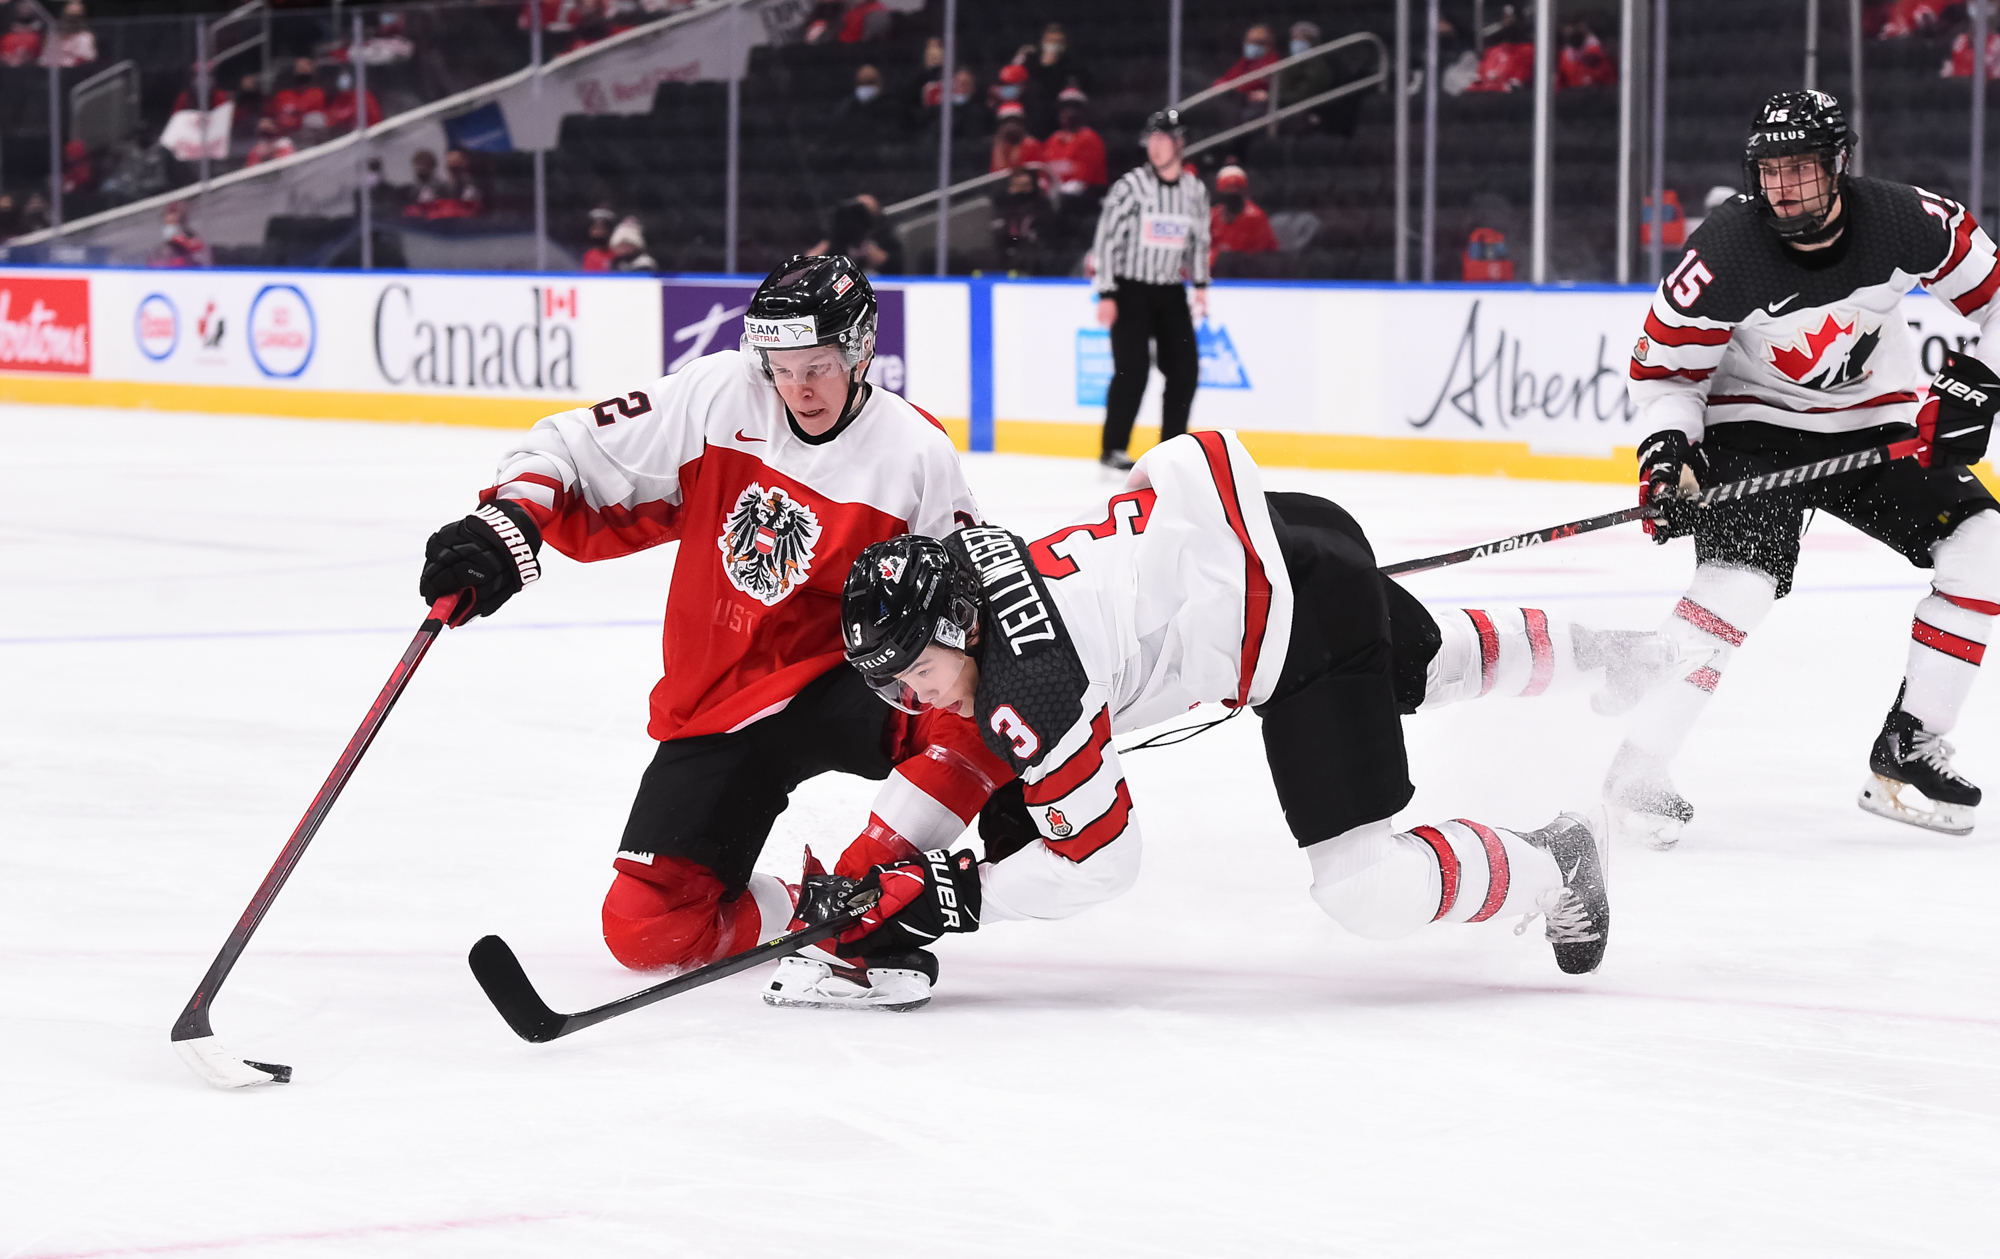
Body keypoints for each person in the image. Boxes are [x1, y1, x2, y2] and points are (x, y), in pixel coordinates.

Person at [794, 431, 1617, 1006]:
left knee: (1362, 887)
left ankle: (1557, 858)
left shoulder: (1030, 685)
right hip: (1288, 526)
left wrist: (955, 896)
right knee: (1425, 666)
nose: (919, 701)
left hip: (1299, 631)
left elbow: (1101, 861)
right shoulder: (965, 564)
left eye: (919, 675)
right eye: (895, 687)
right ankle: (1609, 653)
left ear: (959, 628)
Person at [417, 257, 1006, 1008]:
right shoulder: (717, 394)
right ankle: (808, 903)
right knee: (646, 929)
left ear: (860, 351)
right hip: (723, 701)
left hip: (851, 681)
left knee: (980, 705)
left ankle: (863, 891)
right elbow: (572, 445)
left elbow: (968, 612)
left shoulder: (914, 450)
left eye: (818, 367)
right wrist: (507, 519)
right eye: (782, 369)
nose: (798, 388)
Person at [1618, 89, 2000, 844]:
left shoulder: (1907, 220)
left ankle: (1911, 743)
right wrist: (1667, 454)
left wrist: (1977, 386)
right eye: (1770, 170)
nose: (1783, 186)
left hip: (1872, 426)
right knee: (1737, 585)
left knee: (1983, 548)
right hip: (1753, 427)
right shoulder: (1722, 254)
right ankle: (1636, 767)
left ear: (1838, 164)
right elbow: (1668, 376)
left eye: (1800, 167)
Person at [1088, 109, 1209, 471]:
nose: (1155, 147)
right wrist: (1107, 293)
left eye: (1163, 139)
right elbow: (1107, 240)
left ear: (1179, 143)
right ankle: (1113, 447)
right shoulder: (1131, 187)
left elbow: (1199, 242)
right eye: (1151, 139)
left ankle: (1172, 446)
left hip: (1170, 290)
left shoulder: (1194, 191)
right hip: (1130, 290)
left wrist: (1201, 286)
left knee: (1185, 370)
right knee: (1132, 369)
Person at [1209, 164, 1279, 273]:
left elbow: (1257, 256)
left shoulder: (1255, 217)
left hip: (1251, 274)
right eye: (1227, 188)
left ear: (1243, 191)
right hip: (1219, 274)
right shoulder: (1212, 215)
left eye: (1236, 187)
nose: (1232, 192)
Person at [1214, 23, 1279, 117]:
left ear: (1268, 44)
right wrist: (1221, 84)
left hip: (1259, 105)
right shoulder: (1246, 61)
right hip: (1240, 99)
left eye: (1257, 42)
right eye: (1249, 42)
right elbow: (1230, 76)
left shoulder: (1272, 61)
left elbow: (1255, 84)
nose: (1252, 45)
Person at [266, 58, 324, 135]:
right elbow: (272, 118)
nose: (303, 81)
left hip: (311, 136)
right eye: (300, 75)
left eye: (306, 77)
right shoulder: (282, 95)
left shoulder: (318, 93)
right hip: (285, 135)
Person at [988, 103, 1043, 175]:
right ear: (1000, 125)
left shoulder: (1032, 145)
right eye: (1007, 121)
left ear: (1022, 123)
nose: (1011, 125)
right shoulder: (990, 147)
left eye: (1015, 121)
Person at [150, 201, 208, 268]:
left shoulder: (193, 241)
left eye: (174, 221)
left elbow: (201, 260)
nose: (171, 218)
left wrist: (182, 243)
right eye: (168, 213)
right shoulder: (157, 251)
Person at [40, 1, 92, 69]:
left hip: (72, 72)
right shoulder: (53, 37)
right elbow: (44, 59)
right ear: (63, 16)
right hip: (50, 72)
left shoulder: (85, 38)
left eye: (76, 17)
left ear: (82, 18)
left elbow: (84, 61)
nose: (72, 20)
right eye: (69, 16)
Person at [579, 204, 616, 269]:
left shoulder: (614, 254)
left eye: (603, 228)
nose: (599, 232)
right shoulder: (583, 254)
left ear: (609, 231)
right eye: (595, 228)